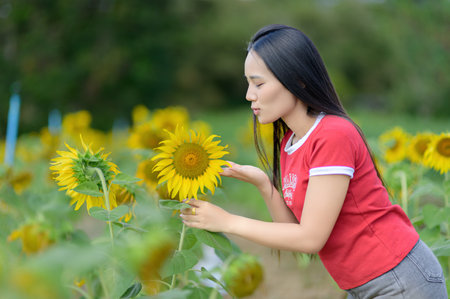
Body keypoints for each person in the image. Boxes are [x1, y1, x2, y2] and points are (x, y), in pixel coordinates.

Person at [180, 24, 447, 298]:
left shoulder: (333, 136)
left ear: (298, 80)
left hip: (400, 278)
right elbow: (293, 235)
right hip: (367, 283)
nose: (250, 95)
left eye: (258, 83)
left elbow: (310, 239)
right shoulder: (291, 143)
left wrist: (227, 222)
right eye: (248, 83)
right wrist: (263, 184)